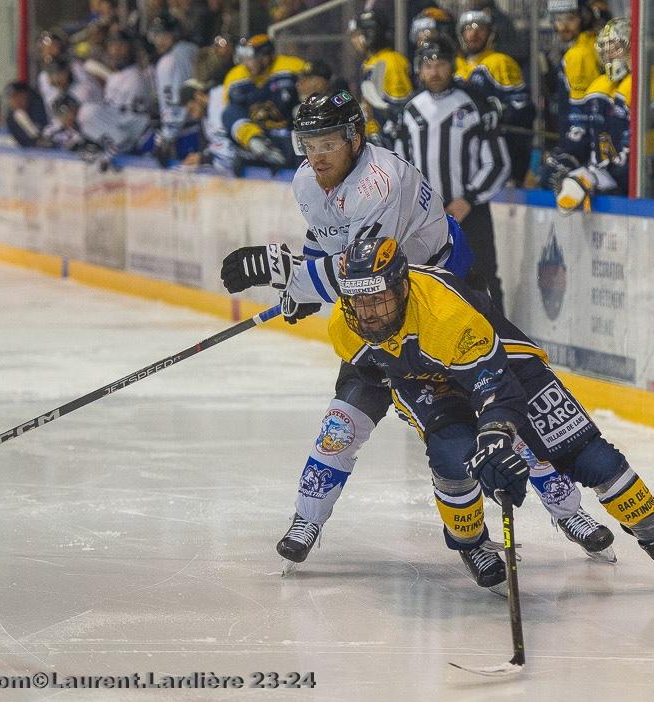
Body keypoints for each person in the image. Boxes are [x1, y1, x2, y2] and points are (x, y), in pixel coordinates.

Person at [219, 90, 615, 575]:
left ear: (354, 138)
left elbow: (364, 270)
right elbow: (329, 243)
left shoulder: (379, 182)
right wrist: (302, 287)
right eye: (309, 144)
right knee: (344, 421)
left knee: (502, 416)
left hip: (444, 307)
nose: (316, 156)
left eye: (327, 144)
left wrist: (286, 274)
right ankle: (307, 518)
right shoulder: (308, 180)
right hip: (378, 317)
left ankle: (567, 509)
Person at [330, 237, 654, 592]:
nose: (368, 313)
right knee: (452, 457)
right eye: (358, 301)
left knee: (588, 455)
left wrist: (494, 436)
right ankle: (472, 544)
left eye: (377, 298)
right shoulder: (344, 327)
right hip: (429, 381)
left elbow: (494, 386)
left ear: (401, 288)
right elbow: (371, 371)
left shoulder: (446, 314)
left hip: (505, 364)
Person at [399, 39, 510, 309]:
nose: (434, 72)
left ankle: (498, 335)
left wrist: (468, 199)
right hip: (424, 218)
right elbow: (401, 166)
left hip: (471, 213)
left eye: (441, 64)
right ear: (419, 70)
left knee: (483, 279)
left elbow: (497, 162)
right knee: (424, 282)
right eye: (428, 66)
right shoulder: (410, 111)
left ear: (452, 66)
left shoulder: (475, 105)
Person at [550, 17, 632, 213]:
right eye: (605, 49)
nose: (609, 55)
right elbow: (585, 134)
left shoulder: (641, 83)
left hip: (626, 182)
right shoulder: (598, 86)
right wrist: (566, 160)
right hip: (603, 177)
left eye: (616, 48)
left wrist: (597, 177)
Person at [454, 9, 535, 184]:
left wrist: (498, 111)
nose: (474, 33)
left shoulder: (500, 62)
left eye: (480, 28)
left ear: (491, 34)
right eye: (468, 28)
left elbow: (522, 108)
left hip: (500, 153)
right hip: (469, 155)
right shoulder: (458, 70)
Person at [539, 0, 609, 187]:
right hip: (595, 143)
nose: (563, 26)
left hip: (585, 146)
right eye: (558, 19)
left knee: (548, 182)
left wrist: (567, 152)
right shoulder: (588, 45)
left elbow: (582, 118)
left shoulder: (579, 54)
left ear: (584, 17)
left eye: (570, 18)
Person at [221, 34, 306, 170]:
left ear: (266, 56)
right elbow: (231, 114)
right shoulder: (234, 77)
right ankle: (255, 142)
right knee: (229, 112)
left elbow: (319, 88)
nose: (246, 63)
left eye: (250, 58)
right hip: (260, 139)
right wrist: (252, 139)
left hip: (292, 135)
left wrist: (303, 108)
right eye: (244, 58)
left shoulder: (294, 67)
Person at [348, 10, 414, 149]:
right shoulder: (371, 62)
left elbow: (399, 107)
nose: (354, 40)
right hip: (375, 139)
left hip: (390, 143)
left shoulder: (390, 61)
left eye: (356, 34)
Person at [148, 13, 200, 167]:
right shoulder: (193, 49)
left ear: (175, 34)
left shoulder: (168, 61)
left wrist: (166, 138)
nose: (159, 41)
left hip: (183, 134)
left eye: (164, 35)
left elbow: (174, 107)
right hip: (202, 129)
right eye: (156, 36)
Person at [4, 81, 50, 148]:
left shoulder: (40, 106)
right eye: (11, 98)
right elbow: (23, 142)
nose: (14, 101)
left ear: (25, 95)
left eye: (17, 96)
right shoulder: (11, 119)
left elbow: (46, 129)